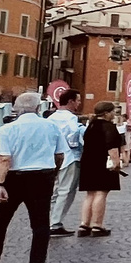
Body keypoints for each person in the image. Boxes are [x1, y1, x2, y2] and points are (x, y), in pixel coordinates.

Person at [0, 92, 65, 263]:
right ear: (39, 108)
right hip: (42, 176)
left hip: (14, 177)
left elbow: (4, 159)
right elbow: (59, 155)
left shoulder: (7, 129)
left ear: (16, 109)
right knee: (40, 223)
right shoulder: (52, 127)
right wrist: (53, 173)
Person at [75, 102, 125, 237]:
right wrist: (116, 163)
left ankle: (84, 224)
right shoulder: (108, 127)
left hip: (88, 161)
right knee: (101, 193)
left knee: (90, 194)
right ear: (107, 113)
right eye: (113, 112)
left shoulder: (90, 126)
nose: (114, 114)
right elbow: (112, 147)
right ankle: (97, 225)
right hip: (102, 162)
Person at [45, 88, 85, 235]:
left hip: (53, 158)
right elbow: (74, 137)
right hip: (70, 157)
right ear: (71, 101)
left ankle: (50, 220)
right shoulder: (71, 119)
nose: (79, 103)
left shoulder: (51, 118)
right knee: (66, 191)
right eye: (78, 100)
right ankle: (55, 223)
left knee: (56, 191)